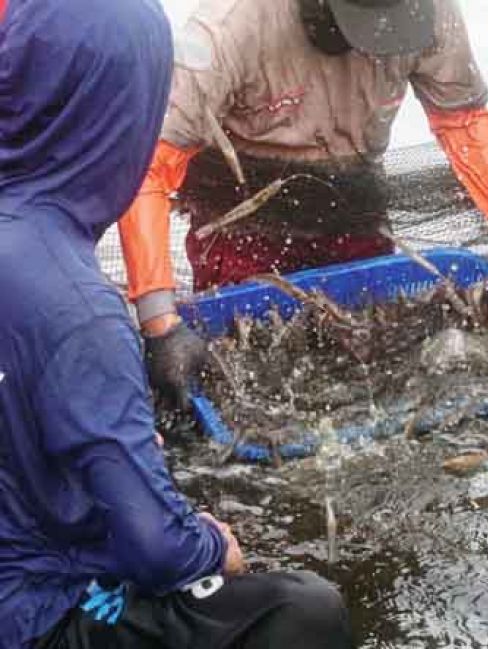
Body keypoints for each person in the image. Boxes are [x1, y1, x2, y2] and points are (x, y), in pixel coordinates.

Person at [0, 1, 352, 647]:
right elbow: (157, 550)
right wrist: (211, 544)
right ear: (121, 117)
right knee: (303, 608)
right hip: (29, 614)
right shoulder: (78, 304)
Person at [121, 0, 488, 410]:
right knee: (249, 363)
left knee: (368, 353)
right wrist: (160, 323)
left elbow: (462, 118)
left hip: (353, 210)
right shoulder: (233, 22)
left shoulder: (430, 11)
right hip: (242, 220)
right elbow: (149, 166)